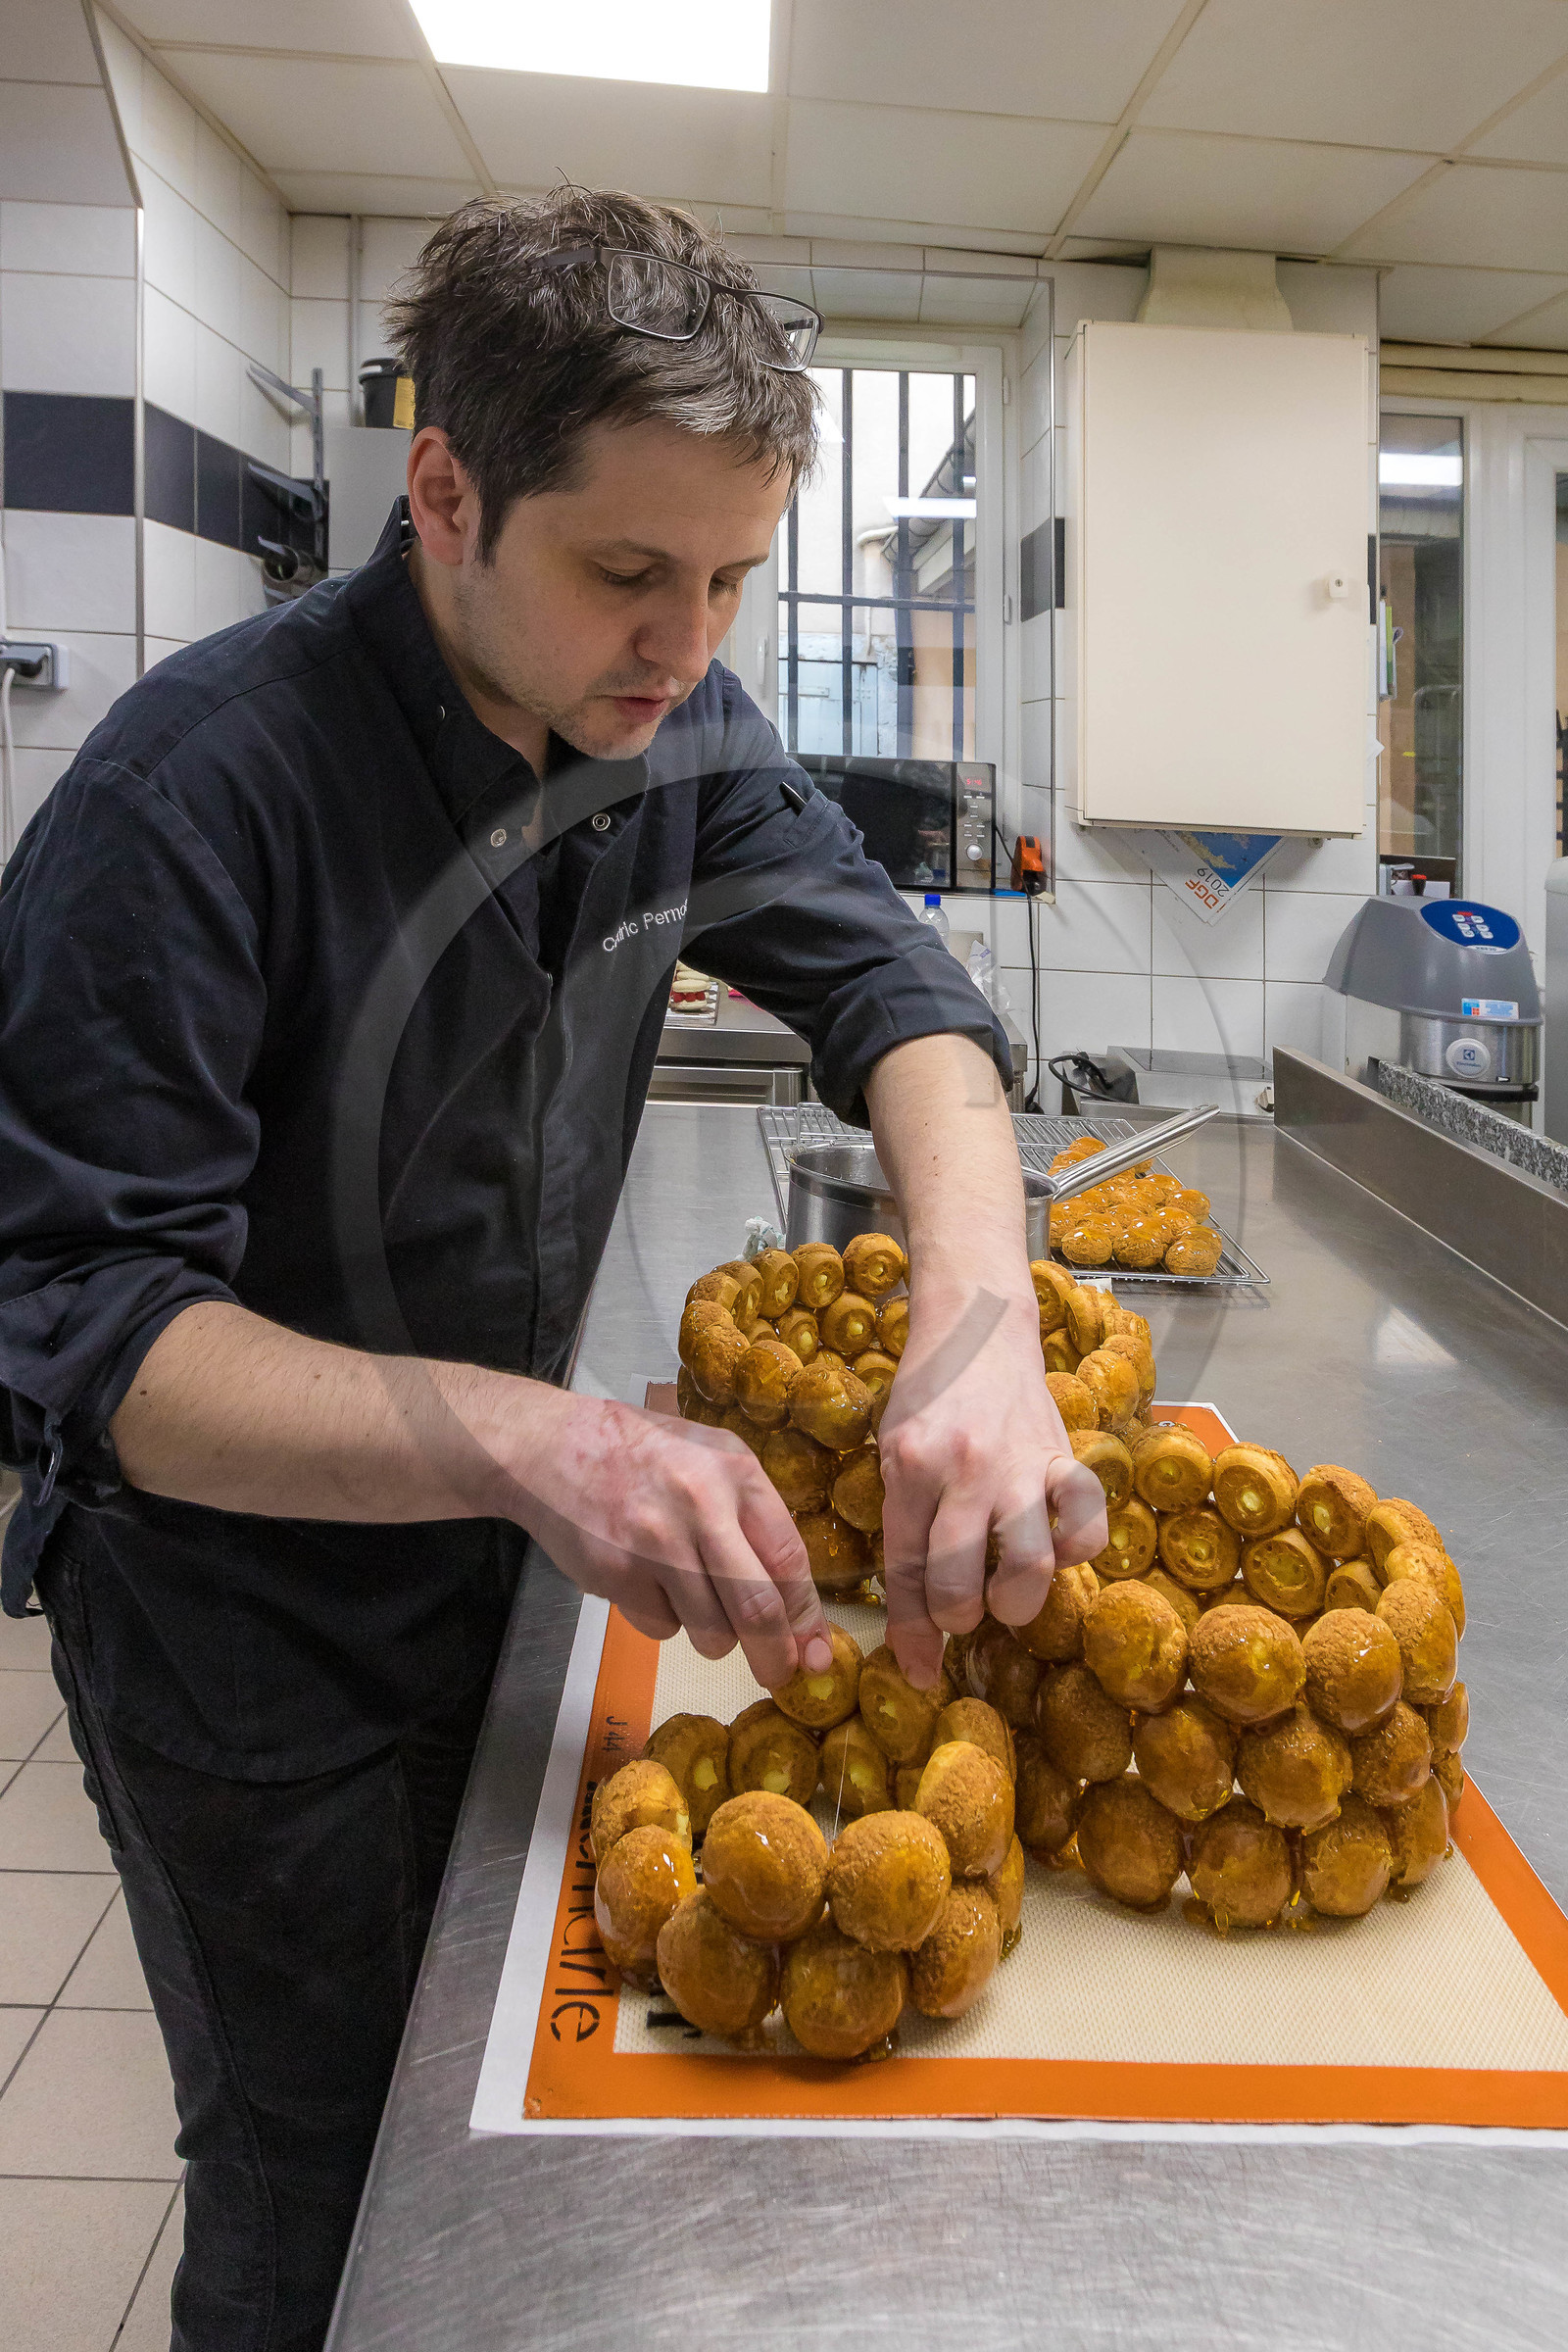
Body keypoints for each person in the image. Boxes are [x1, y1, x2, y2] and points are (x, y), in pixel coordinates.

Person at [0, 188, 1105, 2352]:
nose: (682, 642)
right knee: (311, 2188)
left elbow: (914, 1013)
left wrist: (978, 1341)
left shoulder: (668, 733)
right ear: (443, 491)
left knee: (500, 2147)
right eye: (624, 573)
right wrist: (545, 1448)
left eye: (726, 581)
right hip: (240, 1642)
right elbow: (99, 1339)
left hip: (494, 1590)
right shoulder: (190, 799)